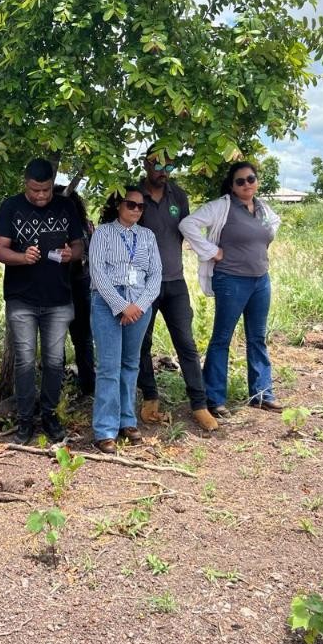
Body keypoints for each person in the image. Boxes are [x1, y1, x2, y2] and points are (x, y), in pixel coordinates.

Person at [179, 160, 283, 416]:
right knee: (222, 338)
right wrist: (211, 251)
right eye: (240, 181)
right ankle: (214, 398)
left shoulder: (262, 208)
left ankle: (262, 394)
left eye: (251, 179)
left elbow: (273, 226)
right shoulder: (222, 207)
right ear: (232, 186)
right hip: (231, 280)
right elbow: (187, 224)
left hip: (260, 280)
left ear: (257, 181)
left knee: (257, 337)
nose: (247, 184)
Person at [0, 158, 85, 444]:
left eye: (46, 190)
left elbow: (79, 245)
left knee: (55, 362)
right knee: (25, 361)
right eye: (35, 190)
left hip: (58, 299)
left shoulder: (66, 206)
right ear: (26, 184)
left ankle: (49, 415)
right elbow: (0, 251)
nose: (41, 195)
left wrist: (71, 254)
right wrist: (22, 257)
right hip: (22, 299)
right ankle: (24, 419)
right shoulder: (10, 207)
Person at [135, 147, 220, 432]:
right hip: (142, 285)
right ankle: (150, 398)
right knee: (141, 344)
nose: (164, 173)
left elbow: (185, 233)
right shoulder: (134, 195)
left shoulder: (178, 196)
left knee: (186, 344)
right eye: (159, 166)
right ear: (146, 164)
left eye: (169, 168)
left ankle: (199, 405)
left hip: (175, 282)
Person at [89, 187, 162, 453]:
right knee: (109, 366)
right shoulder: (103, 233)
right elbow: (97, 273)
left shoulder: (148, 236)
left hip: (140, 303)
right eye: (131, 204)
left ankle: (127, 421)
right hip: (108, 302)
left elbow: (155, 275)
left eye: (141, 206)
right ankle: (105, 430)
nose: (136, 210)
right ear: (118, 205)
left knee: (131, 364)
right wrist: (121, 306)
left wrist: (138, 306)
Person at [55, 184, 95, 397]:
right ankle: (73, 386)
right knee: (66, 339)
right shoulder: (85, 225)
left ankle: (82, 386)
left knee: (79, 339)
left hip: (77, 285)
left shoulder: (84, 226)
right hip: (68, 285)